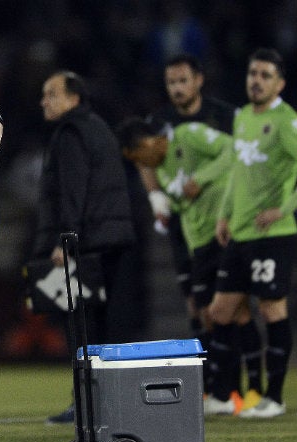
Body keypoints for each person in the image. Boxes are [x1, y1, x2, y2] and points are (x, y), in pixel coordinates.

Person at [116, 117, 261, 410]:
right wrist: (170, 206)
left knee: (235, 309)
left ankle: (249, 390)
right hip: (199, 245)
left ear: (147, 143)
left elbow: (233, 150)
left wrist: (202, 178)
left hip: (226, 233)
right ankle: (228, 390)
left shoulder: (187, 135)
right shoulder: (162, 170)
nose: (142, 165)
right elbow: (184, 202)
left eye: (139, 158)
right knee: (209, 314)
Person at [142, 55, 262, 406]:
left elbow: (242, 155)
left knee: (236, 305)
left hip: (226, 221)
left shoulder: (225, 116)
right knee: (198, 307)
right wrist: (155, 199)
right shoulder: (159, 121)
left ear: (199, 80)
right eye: (170, 83)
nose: (176, 88)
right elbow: (145, 160)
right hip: (186, 225)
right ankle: (214, 385)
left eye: (182, 81)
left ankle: (249, 386)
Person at [33, 71, 135, 424]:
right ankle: (105, 401)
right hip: (111, 239)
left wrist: (66, 240)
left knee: (81, 327)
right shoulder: (97, 127)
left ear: (73, 98)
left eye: (52, 94)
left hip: (87, 244)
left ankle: (86, 403)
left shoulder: (70, 133)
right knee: (104, 327)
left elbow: (72, 190)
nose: (44, 101)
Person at [204, 48, 297, 418]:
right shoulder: (242, 117)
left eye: (265, 75)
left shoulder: (287, 121)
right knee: (220, 310)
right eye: (252, 73)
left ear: (280, 83)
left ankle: (273, 397)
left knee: (272, 307)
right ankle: (226, 395)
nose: (256, 80)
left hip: (274, 233)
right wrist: (224, 215)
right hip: (240, 232)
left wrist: (284, 209)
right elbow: (238, 173)